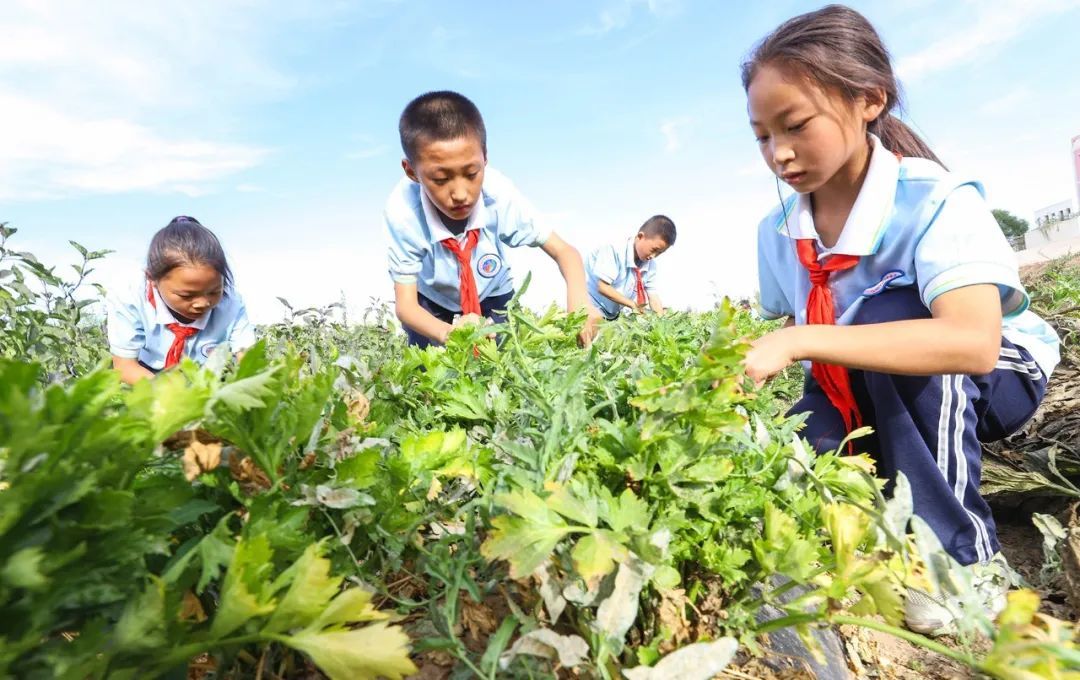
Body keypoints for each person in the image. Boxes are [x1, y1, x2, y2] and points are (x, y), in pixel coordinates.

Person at [741, 5, 1060, 635]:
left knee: (889, 313)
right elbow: (795, 346)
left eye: (796, 124)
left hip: (993, 372)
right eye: (761, 135)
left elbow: (970, 343)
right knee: (801, 463)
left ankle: (963, 563)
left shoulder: (935, 199)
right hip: (858, 376)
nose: (779, 153)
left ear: (868, 101)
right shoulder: (777, 232)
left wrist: (798, 339)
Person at [384, 90, 600, 348]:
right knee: (429, 372)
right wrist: (447, 333)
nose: (461, 194)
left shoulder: (499, 196)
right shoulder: (403, 212)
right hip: (432, 300)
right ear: (412, 172)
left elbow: (565, 251)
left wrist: (580, 303)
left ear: (485, 157)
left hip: (493, 292)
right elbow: (406, 306)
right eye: (440, 180)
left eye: (472, 173)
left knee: (504, 365)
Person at [107, 216, 254, 384]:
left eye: (214, 292)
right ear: (152, 279)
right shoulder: (130, 297)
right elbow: (125, 366)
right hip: (146, 375)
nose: (202, 303)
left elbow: (248, 360)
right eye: (186, 296)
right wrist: (173, 396)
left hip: (208, 379)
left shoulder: (231, 303)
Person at [586, 215, 676, 320]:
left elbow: (653, 297)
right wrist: (633, 305)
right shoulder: (614, 249)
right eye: (654, 250)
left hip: (613, 315)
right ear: (640, 236)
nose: (653, 256)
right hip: (589, 309)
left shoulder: (650, 265)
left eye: (660, 253)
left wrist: (661, 322)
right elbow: (603, 287)